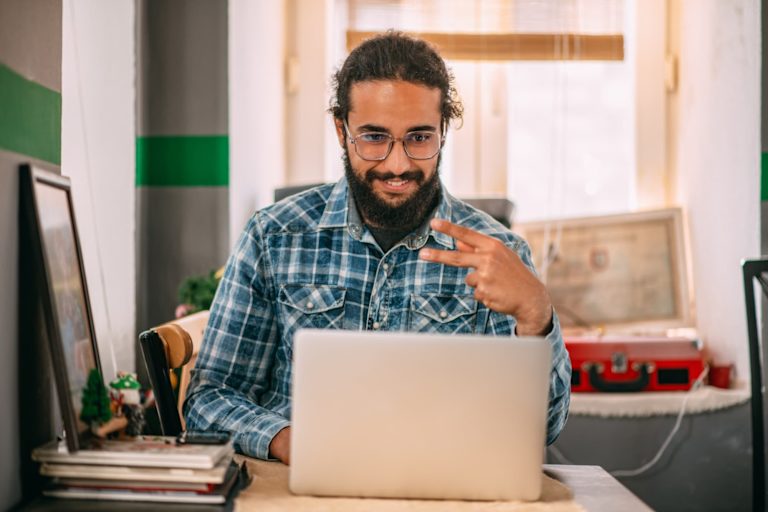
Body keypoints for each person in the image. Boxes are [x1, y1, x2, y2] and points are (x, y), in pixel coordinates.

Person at [184, 31, 571, 464]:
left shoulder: (498, 251)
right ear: (340, 130)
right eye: (374, 137)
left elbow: (539, 431)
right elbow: (208, 400)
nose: (397, 164)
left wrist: (536, 316)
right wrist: (287, 440)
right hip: (298, 492)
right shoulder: (272, 236)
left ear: (443, 131)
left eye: (419, 138)